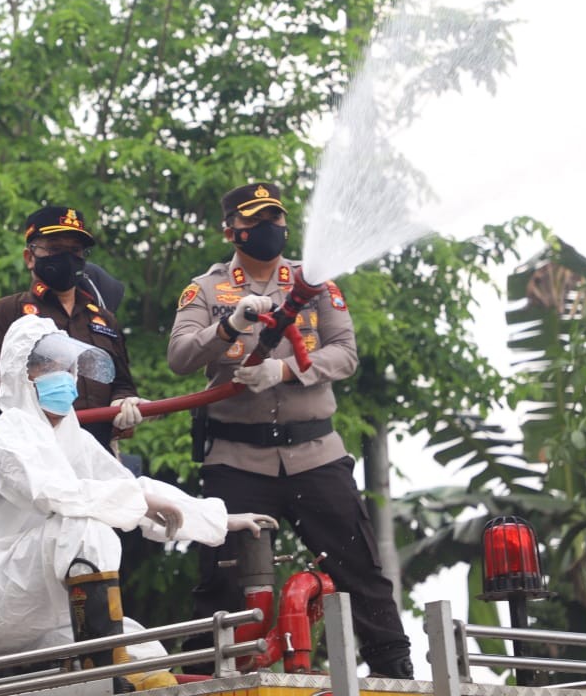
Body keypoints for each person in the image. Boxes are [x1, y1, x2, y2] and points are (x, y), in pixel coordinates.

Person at [0, 314, 274, 690]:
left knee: (153, 661)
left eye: (69, 368)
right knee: (84, 526)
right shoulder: (10, 434)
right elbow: (55, 494)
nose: (66, 377)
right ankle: (105, 674)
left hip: (55, 611)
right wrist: (139, 499)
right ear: (24, 375)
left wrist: (219, 519)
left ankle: (103, 665)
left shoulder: (74, 437)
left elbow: (128, 486)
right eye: (50, 367)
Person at [166, 182, 414, 679]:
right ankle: (207, 680)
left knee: (359, 571)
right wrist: (229, 325)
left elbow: (344, 353)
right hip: (237, 459)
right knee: (219, 582)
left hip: (315, 453)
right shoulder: (208, 289)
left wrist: (284, 371)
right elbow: (179, 359)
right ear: (232, 230)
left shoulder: (314, 281)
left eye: (276, 219)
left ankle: (397, 675)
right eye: (257, 221)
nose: (270, 229)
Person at [0, 205, 144, 451]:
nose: (67, 257)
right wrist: (37, 403)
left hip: (98, 451)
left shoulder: (104, 319)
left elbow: (122, 382)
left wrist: (123, 402)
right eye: (54, 249)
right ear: (30, 257)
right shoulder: (7, 312)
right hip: (35, 450)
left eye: (75, 250)